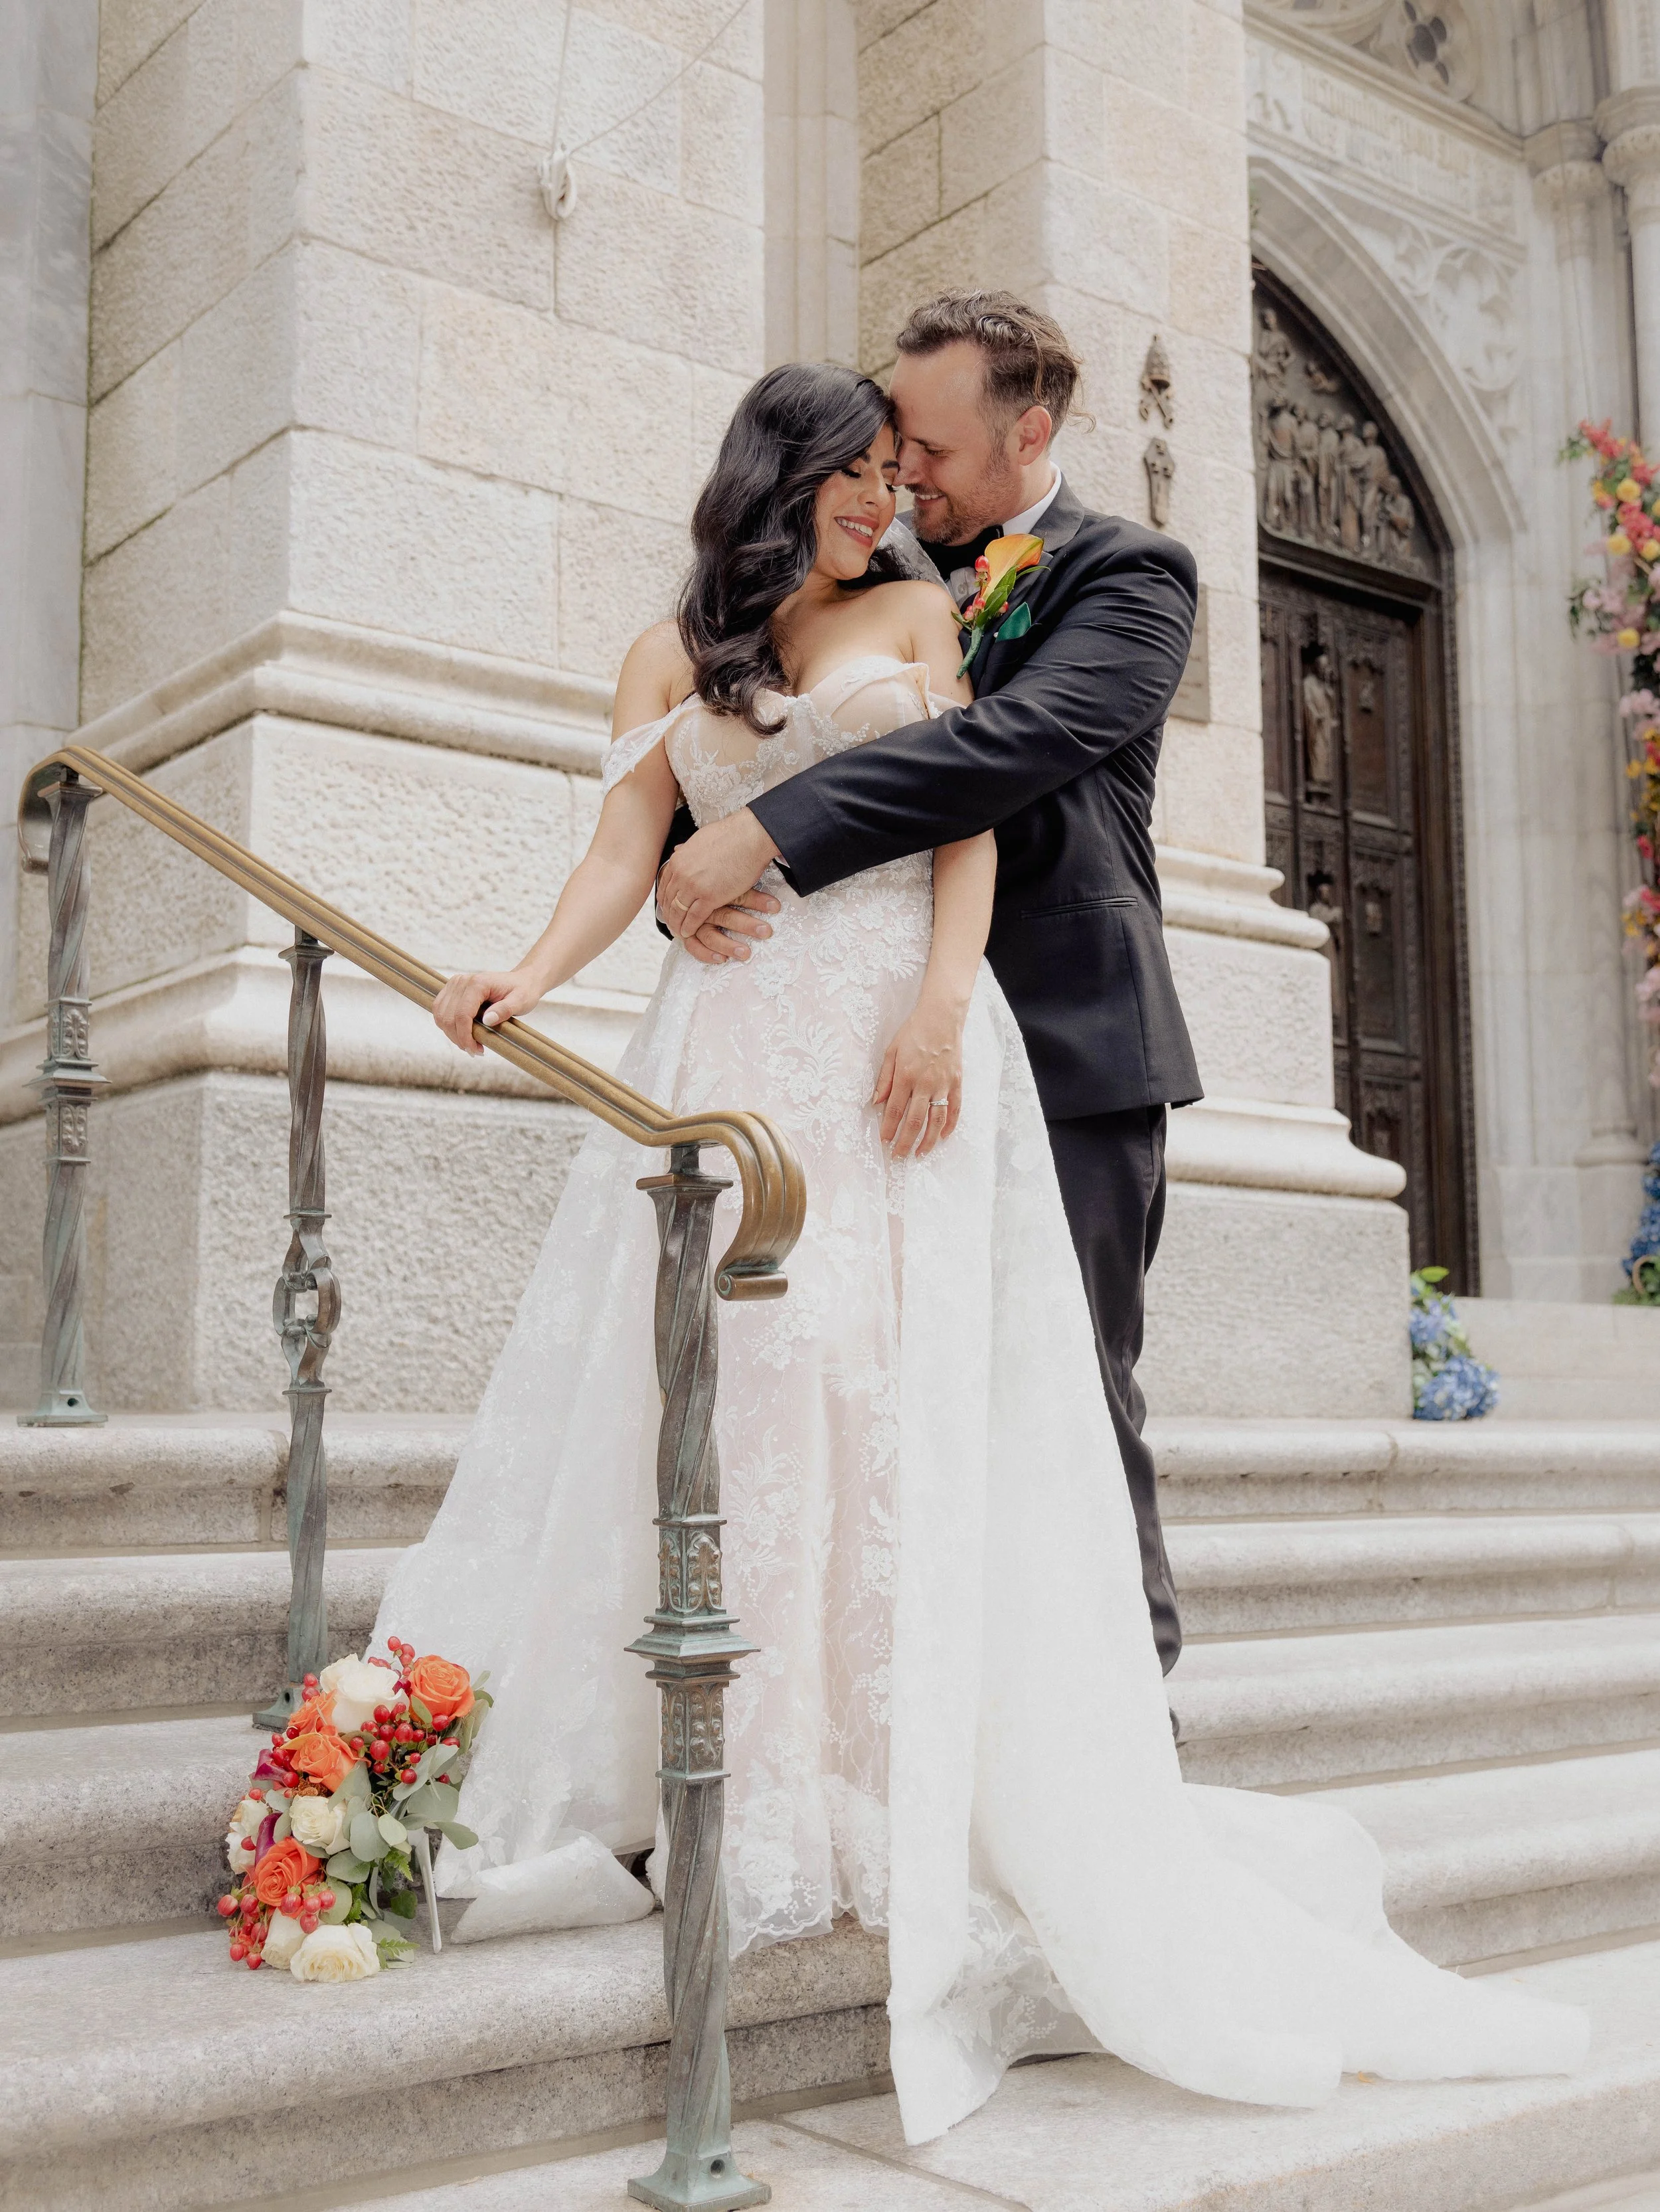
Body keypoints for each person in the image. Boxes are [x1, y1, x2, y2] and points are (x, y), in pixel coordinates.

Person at [374, 357, 1585, 2149]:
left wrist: (942, 1010)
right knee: (746, 1399)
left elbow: (960, 815)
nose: (887, 498)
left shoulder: (931, 606)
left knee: (893, 1391)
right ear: (776, 478)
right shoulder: (663, 653)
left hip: (896, 1050)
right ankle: (754, 1777)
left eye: (902, 466)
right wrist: (520, 979)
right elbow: (626, 850)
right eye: (860, 473)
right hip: (731, 1049)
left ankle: (923, 1772)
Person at [659, 292, 1201, 1679]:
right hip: (866, 1053)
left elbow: (1009, 744)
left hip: (1066, 1039)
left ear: (1028, 433)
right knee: (881, 1401)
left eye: (931, 451)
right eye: (889, 445)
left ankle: (1127, 1732)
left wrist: (765, 835)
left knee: (1070, 1390)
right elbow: (739, 722)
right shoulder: (872, 567)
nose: (901, 476)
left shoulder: (1130, 575)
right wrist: (690, 885)